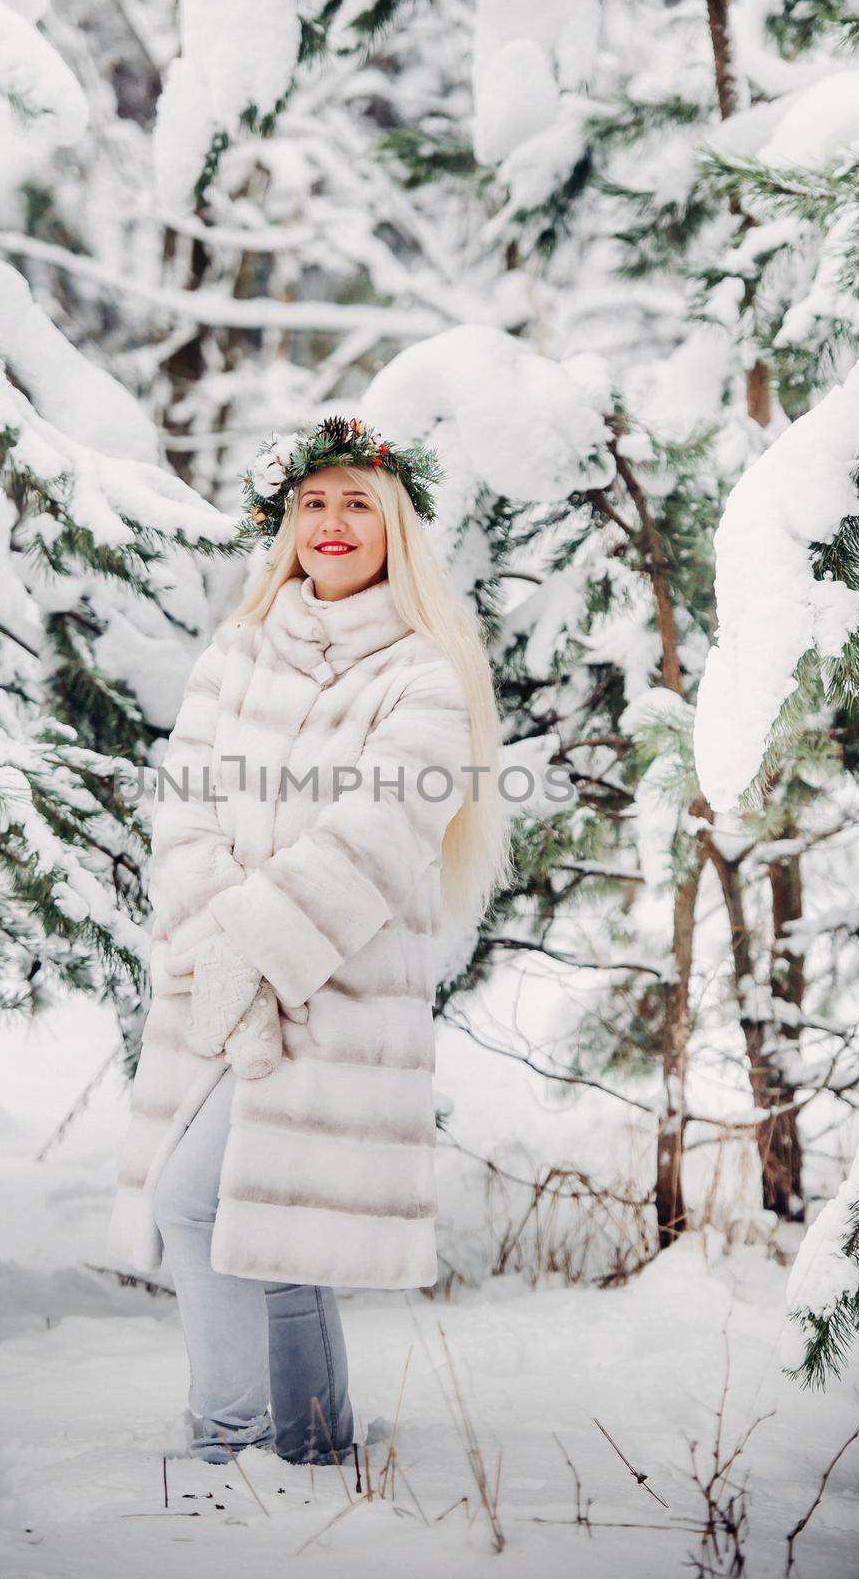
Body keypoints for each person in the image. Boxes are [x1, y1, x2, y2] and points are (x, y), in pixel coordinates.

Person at [106, 415, 510, 1467]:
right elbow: (183, 810)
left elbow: (378, 837)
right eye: (314, 504)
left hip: (337, 989)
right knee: (266, 1226)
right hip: (220, 984)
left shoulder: (425, 673)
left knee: (198, 1202)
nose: (333, 524)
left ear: (395, 527)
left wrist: (260, 940)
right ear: (286, 523)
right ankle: (319, 1444)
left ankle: (229, 1447)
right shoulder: (234, 654)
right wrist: (219, 948)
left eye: (358, 504)